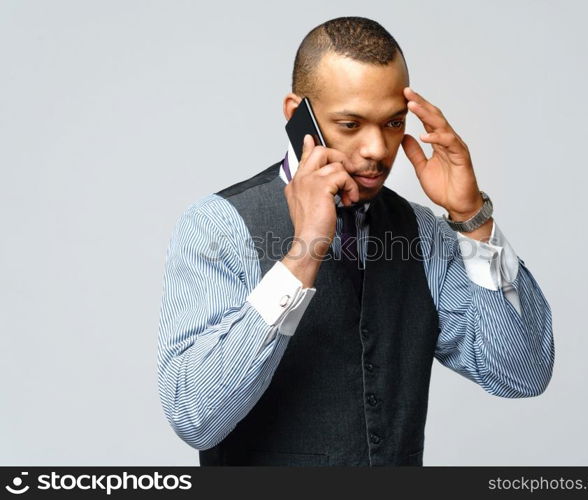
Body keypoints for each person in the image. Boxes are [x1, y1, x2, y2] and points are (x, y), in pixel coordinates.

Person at [157, 16, 554, 466]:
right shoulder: (220, 226)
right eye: (350, 124)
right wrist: (302, 254)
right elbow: (194, 416)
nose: (377, 149)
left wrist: (472, 219)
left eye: (392, 123)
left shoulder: (421, 232)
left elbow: (522, 374)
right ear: (296, 115)